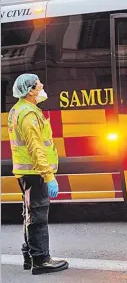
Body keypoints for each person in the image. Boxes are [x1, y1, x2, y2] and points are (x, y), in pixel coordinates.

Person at [8, 74, 69, 275]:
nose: (42, 85)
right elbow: (36, 148)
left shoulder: (20, 109)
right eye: (38, 84)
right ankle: (41, 260)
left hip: (27, 172)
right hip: (35, 173)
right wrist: (49, 176)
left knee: (30, 214)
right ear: (30, 91)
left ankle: (30, 255)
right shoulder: (28, 114)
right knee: (38, 215)